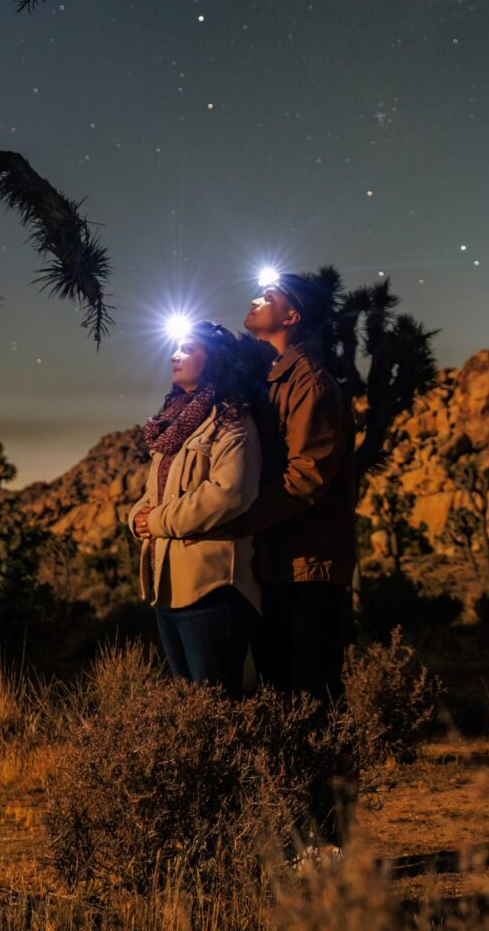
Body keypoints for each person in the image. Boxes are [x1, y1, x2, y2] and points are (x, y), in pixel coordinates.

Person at [233, 273, 356, 711]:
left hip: (308, 565)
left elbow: (305, 478)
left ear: (292, 315)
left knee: (311, 695)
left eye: (268, 297)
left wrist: (237, 522)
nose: (254, 299)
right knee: (279, 691)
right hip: (277, 561)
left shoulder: (311, 384)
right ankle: (300, 779)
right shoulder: (272, 381)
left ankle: (334, 780)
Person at [127, 321, 262, 698]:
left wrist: (155, 521)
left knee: (216, 704)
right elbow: (154, 490)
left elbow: (230, 492)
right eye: (175, 349)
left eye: (188, 349)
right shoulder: (175, 422)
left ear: (214, 358)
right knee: (191, 709)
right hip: (168, 585)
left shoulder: (231, 419)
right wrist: (137, 517)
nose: (175, 356)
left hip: (212, 585)